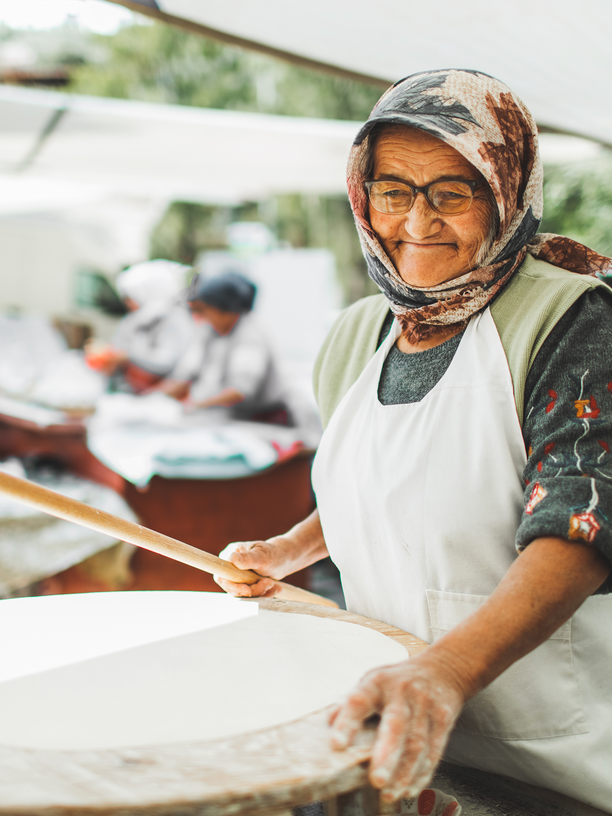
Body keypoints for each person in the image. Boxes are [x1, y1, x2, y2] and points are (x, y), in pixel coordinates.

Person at [215, 70, 612, 811]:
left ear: (507, 192)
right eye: (394, 191)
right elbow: (380, 491)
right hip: (393, 732)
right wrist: (287, 551)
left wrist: (445, 673)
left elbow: (581, 529)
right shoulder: (357, 335)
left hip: (547, 762)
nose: (417, 222)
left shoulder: (572, 319)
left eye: (451, 192)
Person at [160, 271, 293, 424]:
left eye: (207, 309)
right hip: (219, 417)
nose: (204, 315)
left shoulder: (250, 335)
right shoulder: (209, 332)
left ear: (227, 310)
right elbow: (184, 375)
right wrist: (153, 399)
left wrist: (195, 405)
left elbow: (239, 391)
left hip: (259, 421)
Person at [86, 259, 194, 393]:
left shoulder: (175, 320)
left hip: (160, 396)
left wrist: (128, 356)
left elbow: (165, 362)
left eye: (131, 298)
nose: (127, 303)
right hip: (128, 392)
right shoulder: (134, 319)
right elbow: (118, 345)